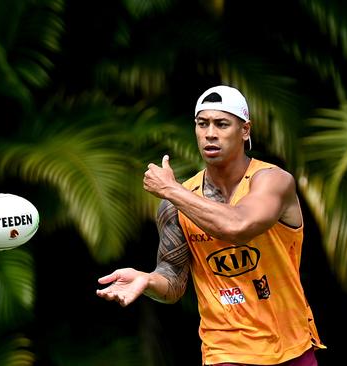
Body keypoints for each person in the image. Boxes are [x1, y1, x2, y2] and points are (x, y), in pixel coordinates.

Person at [96, 85, 325, 365]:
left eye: (222, 124)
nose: (210, 133)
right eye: (202, 124)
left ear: (245, 130)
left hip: (291, 348)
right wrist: (147, 281)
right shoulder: (176, 202)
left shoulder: (273, 181)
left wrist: (171, 190)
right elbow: (173, 282)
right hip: (224, 351)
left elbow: (239, 226)